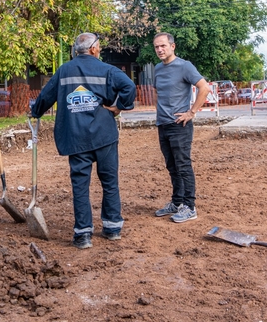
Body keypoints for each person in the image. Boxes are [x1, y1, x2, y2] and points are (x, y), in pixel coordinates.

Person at [31, 33, 136, 249]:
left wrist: (36, 111)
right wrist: (118, 107)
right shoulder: (107, 70)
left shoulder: (64, 71)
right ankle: (113, 228)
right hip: (104, 135)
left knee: (80, 184)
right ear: (94, 49)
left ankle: (83, 235)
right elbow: (129, 87)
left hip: (75, 136)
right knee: (109, 181)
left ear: (76, 50)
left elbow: (45, 97)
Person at [152, 32, 211, 223]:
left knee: (183, 165)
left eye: (163, 46)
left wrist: (191, 112)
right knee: (171, 166)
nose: (160, 50)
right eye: (157, 47)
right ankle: (177, 202)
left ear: (172, 46)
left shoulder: (185, 66)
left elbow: (204, 88)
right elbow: (157, 92)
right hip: (163, 124)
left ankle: (190, 206)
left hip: (180, 125)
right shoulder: (158, 69)